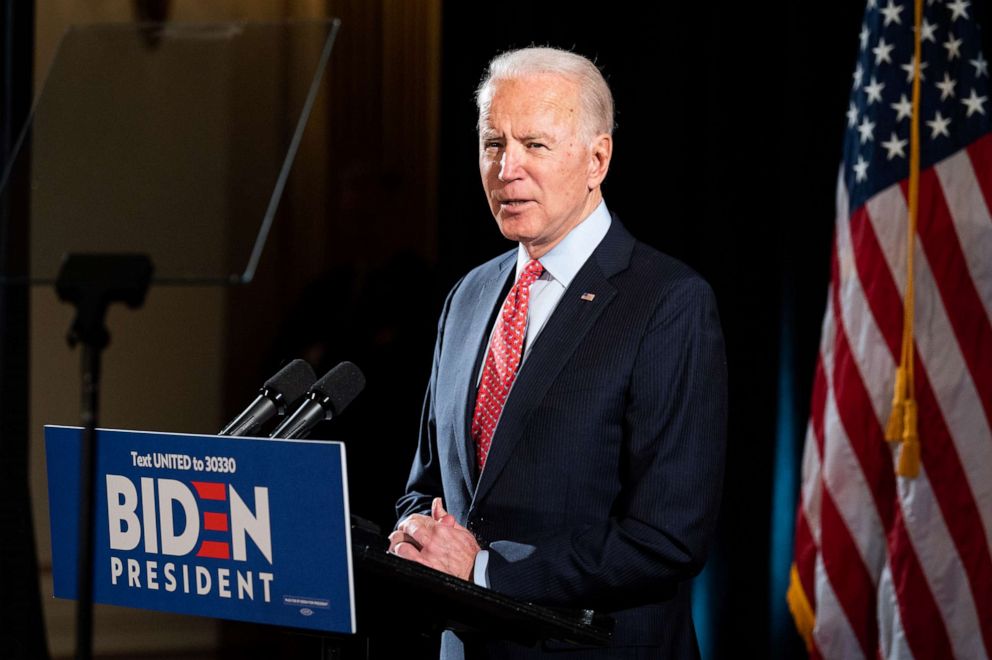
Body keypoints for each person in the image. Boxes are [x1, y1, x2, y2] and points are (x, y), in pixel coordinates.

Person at [390, 46, 727, 659]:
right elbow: (428, 484)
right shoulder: (469, 296)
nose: (506, 169)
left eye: (535, 146)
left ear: (598, 158)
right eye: (494, 144)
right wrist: (414, 531)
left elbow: (667, 539)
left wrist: (487, 573)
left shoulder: (667, 302)